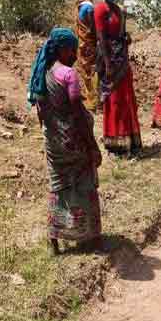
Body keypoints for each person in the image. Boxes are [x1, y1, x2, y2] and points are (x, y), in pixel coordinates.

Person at [28, 28, 102, 255]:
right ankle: (85, 235)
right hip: (72, 141)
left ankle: (55, 236)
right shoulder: (68, 75)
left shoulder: (42, 73)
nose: (75, 55)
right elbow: (77, 112)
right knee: (84, 181)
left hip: (53, 143)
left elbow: (41, 113)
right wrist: (92, 146)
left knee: (58, 186)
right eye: (71, 50)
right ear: (61, 49)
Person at [95, 0, 141, 156]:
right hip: (109, 61)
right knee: (113, 100)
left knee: (126, 98)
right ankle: (115, 142)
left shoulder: (118, 9)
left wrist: (126, 38)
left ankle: (129, 140)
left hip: (122, 60)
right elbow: (101, 37)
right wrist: (107, 63)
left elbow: (121, 33)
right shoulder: (100, 10)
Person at [74, 0, 98, 112]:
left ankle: (91, 99)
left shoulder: (80, 7)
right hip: (91, 45)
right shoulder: (89, 8)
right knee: (93, 71)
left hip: (82, 45)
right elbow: (94, 28)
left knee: (85, 71)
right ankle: (94, 100)